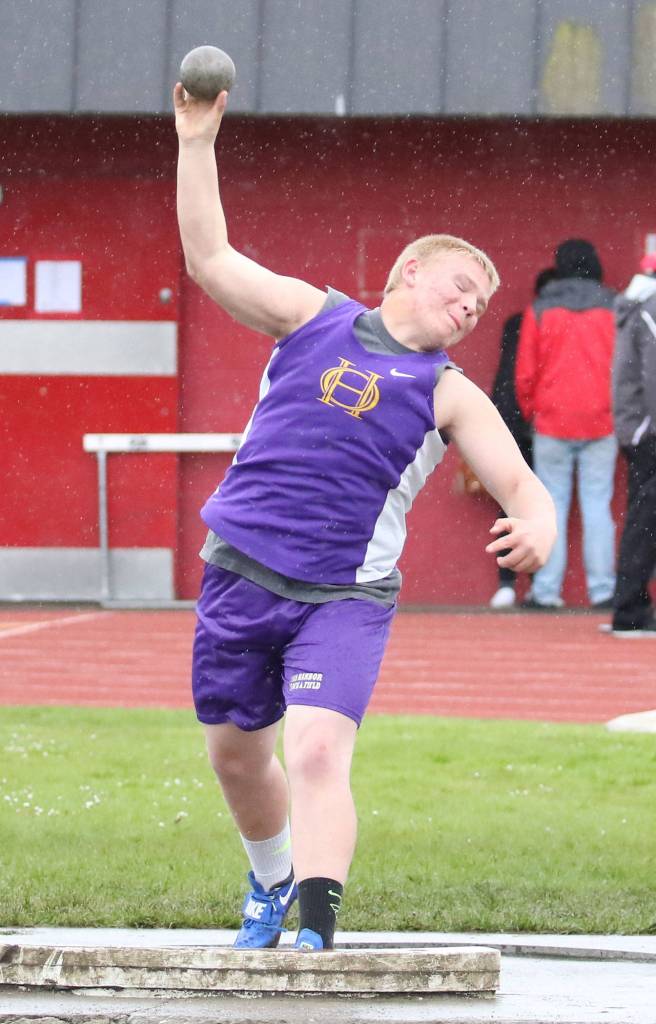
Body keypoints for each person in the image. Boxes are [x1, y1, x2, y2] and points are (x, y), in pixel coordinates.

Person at [174, 83, 556, 952]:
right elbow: (210, 257)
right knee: (236, 756)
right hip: (241, 570)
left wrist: (540, 526)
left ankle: (317, 929)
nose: (468, 308)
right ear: (406, 272)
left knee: (313, 750)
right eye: (460, 287)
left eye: (479, 305)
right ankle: (271, 878)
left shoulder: (451, 393)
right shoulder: (312, 316)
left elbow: (524, 487)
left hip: (344, 595)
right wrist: (198, 141)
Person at [515, 239, 617, 610]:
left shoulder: (540, 309)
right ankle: (604, 590)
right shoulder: (614, 307)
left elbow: (525, 373)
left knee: (550, 507)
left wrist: (533, 412)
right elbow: (625, 368)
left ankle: (546, 592)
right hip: (602, 422)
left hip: (552, 421)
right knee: (597, 506)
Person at [489, 267, 557, 609]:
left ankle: (507, 584)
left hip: (512, 421)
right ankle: (541, 587)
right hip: (545, 421)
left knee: (511, 502)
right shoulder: (547, 322)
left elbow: (507, 376)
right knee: (546, 502)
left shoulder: (519, 322)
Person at [605, 252, 656, 636]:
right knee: (644, 523)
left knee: (642, 520)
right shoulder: (651, 308)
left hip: (638, 430)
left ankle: (630, 607)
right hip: (649, 431)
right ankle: (630, 610)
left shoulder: (636, 304)